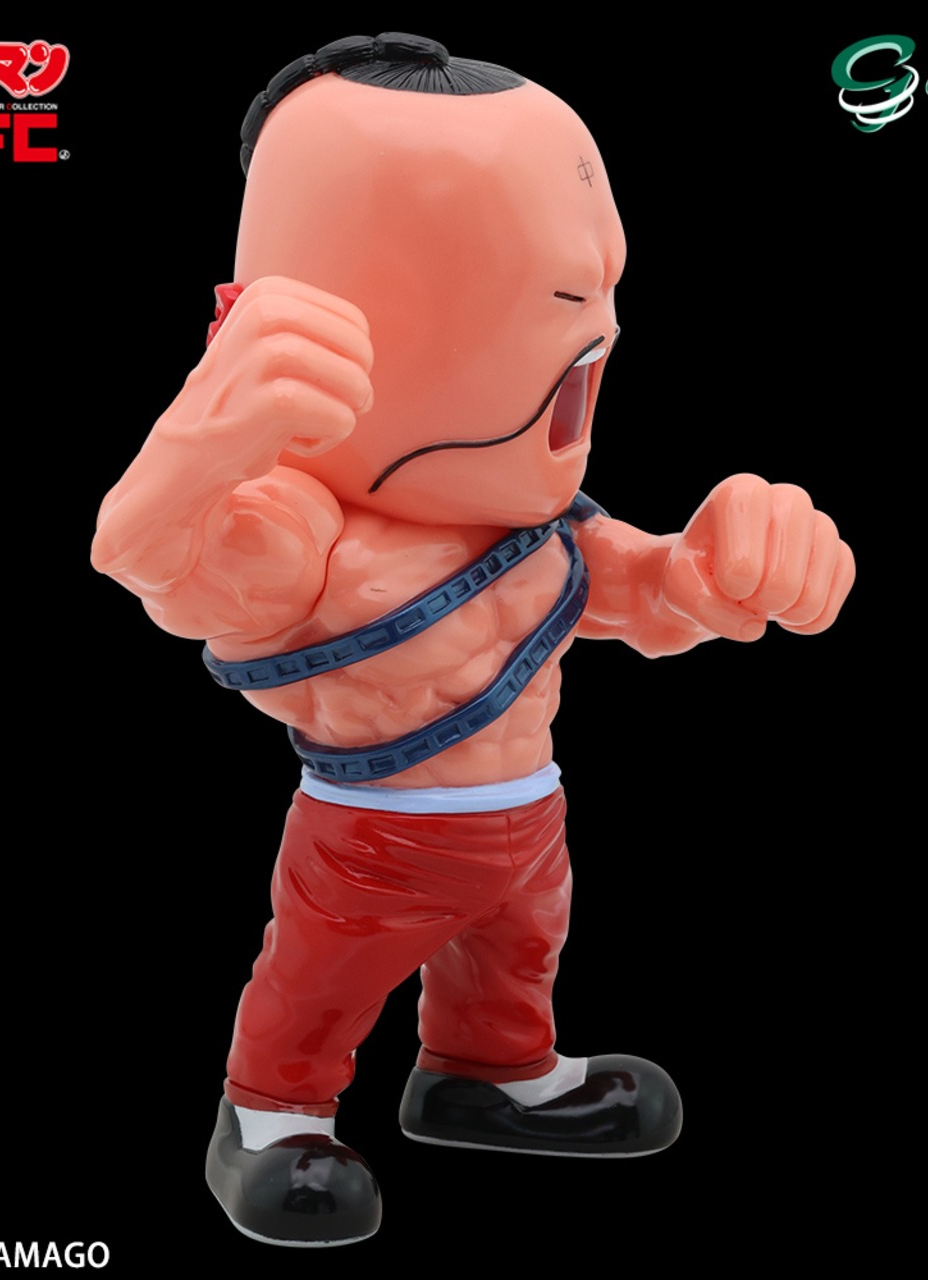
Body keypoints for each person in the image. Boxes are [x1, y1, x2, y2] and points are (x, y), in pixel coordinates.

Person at [92, 32, 854, 1247]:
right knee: (320, 980)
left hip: (527, 817)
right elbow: (160, 564)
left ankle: (487, 1074)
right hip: (372, 838)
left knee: (519, 949)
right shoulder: (304, 528)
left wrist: (727, 565)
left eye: (602, 288)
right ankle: (270, 1113)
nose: (595, 333)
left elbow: (653, 598)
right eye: (554, 297)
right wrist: (194, 449)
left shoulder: (542, 528)